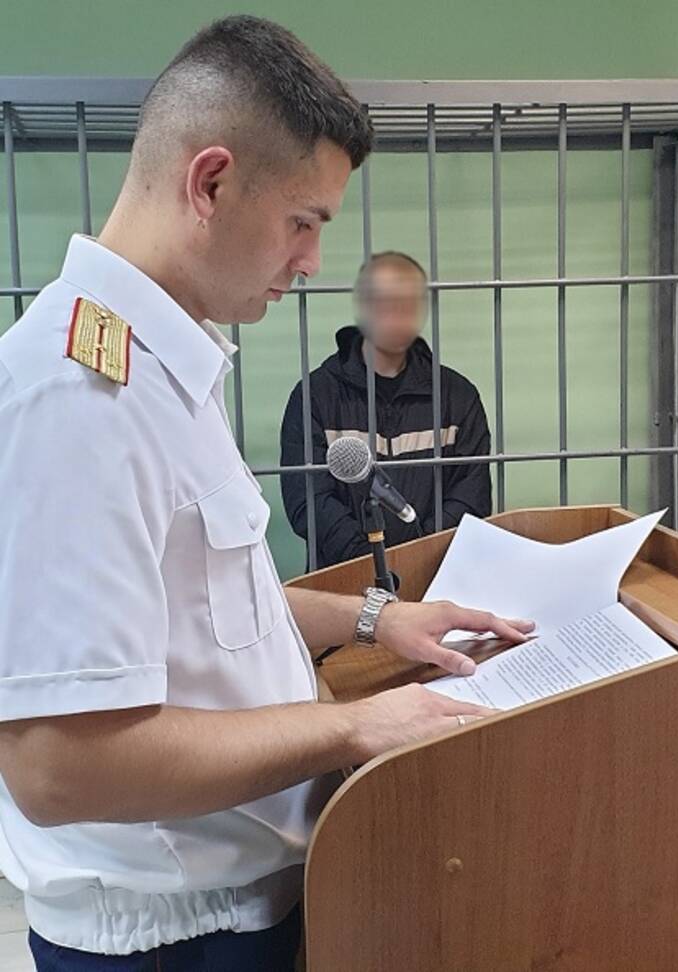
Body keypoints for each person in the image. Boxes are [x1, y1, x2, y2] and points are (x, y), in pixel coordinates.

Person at [0, 17, 532, 969]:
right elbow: (57, 766)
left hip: (242, 903)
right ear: (209, 183)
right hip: (173, 939)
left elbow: (204, 612)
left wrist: (376, 620)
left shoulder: (162, 365)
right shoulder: (77, 396)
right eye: (304, 222)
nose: (312, 263)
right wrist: (353, 723)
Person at [280, 251, 492, 569]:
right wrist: (370, 564)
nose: (397, 316)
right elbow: (309, 500)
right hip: (342, 583)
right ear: (363, 306)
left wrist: (418, 560)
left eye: (408, 304)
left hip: (436, 577)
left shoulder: (456, 396)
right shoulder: (316, 396)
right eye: (386, 303)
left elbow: (471, 496)